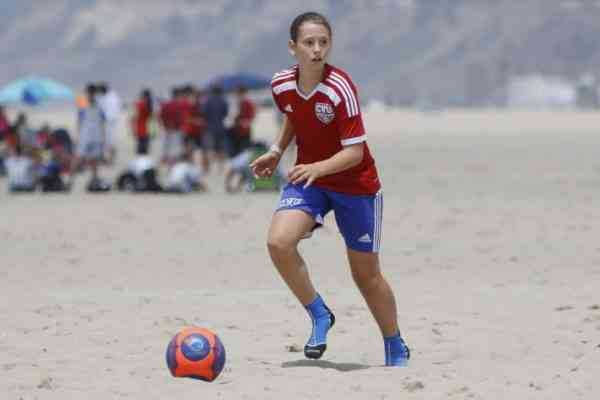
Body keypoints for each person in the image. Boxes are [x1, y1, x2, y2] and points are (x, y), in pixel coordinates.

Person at [250, 12, 410, 366]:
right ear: (293, 48)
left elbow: (354, 152)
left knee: (365, 276)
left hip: (356, 185)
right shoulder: (280, 84)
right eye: (309, 43)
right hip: (311, 180)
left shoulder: (341, 88)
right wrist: (277, 152)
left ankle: (394, 343)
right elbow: (294, 112)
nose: (317, 49)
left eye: (323, 42)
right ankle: (320, 313)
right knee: (278, 243)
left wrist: (316, 167)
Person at [72, 84, 111, 191]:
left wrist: (103, 138)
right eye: (90, 93)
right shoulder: (82, 104)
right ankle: (70, 181)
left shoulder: (100, 105)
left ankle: (94, 181)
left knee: (94, 160)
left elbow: (102, 121)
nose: (91, 95)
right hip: (85, 135)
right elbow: (79, 121)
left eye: (93, 93)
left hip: (96, 136)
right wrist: (78, 136)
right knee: (79, 158)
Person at [202, 85, 229, 171]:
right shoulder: (223, 101)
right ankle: (220, 166)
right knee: (220, 148)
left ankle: (208, 167)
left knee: (208, 148)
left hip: (210, 127)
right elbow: (225, 113)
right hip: (220, 126)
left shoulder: (208, 101)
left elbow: (204, 113)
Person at [96, 82, 122, 164]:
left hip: (109, 123)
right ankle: (105, 159)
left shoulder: (112, 97)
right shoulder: (107, 97)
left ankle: (110, 160)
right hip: (106, 123)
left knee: (110, 142)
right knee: (105, 143)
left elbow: (110, 111)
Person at [231, 85, 257, 157]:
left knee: (245, 150)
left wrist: (245, 121)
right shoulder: (239, 103)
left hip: (244, 130)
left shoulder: (247, 102)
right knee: (239, 150)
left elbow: (251, 115)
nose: (237, 95)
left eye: (238, 93)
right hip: (238, 129)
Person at [131, 89, 154, 155]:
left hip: (140, 127)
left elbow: (134, 116)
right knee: (145, 147)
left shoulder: (140, 104)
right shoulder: (150, 105)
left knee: (140, 148)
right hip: (148, 127)